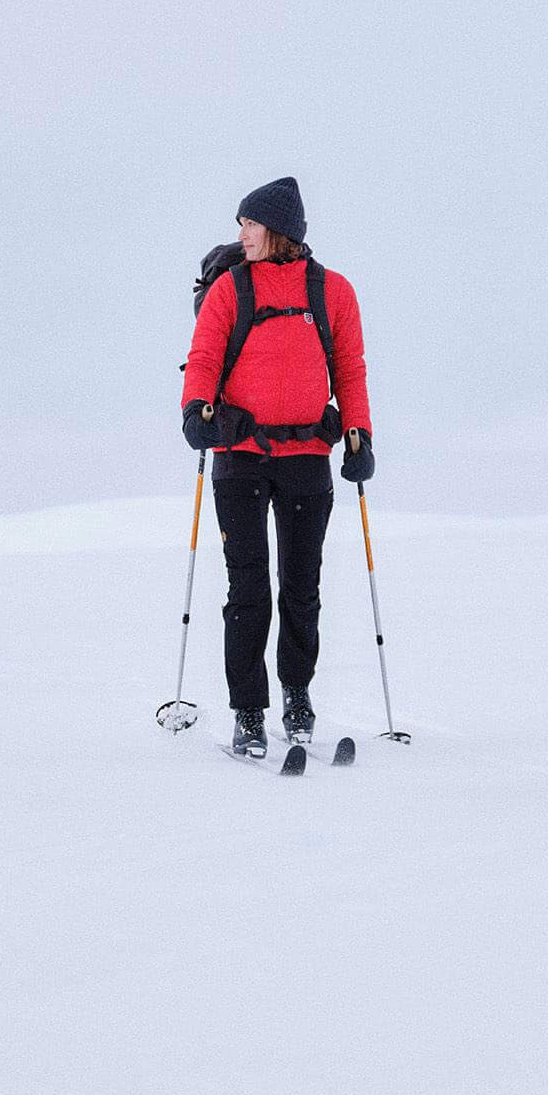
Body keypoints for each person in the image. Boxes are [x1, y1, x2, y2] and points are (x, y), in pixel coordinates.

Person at [181, 177, 373, 759]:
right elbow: (205, 356)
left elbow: (351, 367)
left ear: (279, 229)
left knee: (301, 586)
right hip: (240, 458)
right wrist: (196, 409)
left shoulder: (332, 291)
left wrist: (360, 433)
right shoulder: (229, 290)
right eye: (241, 225)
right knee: (249, 588)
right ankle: (248, 709)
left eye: (250, 225)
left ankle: (296, 694)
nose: (242, 235)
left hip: (306, 457)